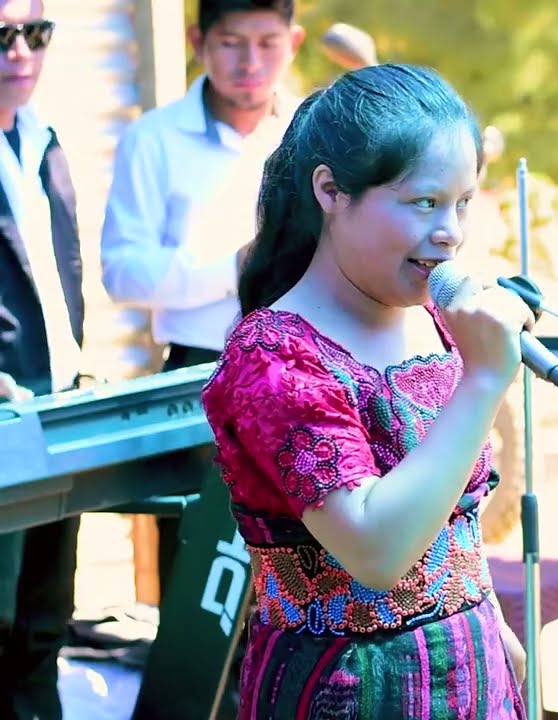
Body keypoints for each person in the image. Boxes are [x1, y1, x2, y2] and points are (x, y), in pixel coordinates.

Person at [200, 64, 529, 716]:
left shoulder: (437, 321)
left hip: (471, 671)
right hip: (350, 687)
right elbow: (376, 549)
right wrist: (485, 379)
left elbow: (451, 514)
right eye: (423, 202)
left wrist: (489, 613)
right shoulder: (274, 358)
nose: (450, 231)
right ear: (330, 190)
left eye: (462, 203)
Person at [99, 0, 303, 599]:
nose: (250, 62)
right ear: (198, 41)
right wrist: (232, 269)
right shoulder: (153, 139)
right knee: (196, 573)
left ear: (294, 41)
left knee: (297, 558)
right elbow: (122, 272)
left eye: (267, 43)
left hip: (302, 371)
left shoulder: (313, 134)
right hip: (198, 372)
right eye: (232, 42)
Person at [0, 2, 86, 716]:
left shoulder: (43, 138)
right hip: (3, 421)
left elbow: (59, 278)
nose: (20, 51)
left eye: (35, 34)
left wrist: (77, 364)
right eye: (1, 36)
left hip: (57, 409)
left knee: (44, 618)